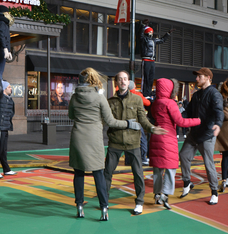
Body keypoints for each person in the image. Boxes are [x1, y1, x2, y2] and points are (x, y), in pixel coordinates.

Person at [68, 68, 140, 221]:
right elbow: (111, 121)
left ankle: (80, 207)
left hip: (78, 137)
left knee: (78, 173)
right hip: (94, 138)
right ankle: (104, 208)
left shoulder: (74, 97)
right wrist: (128, 123)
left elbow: (71, 115)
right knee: (98, 173)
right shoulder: (99, 98)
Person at [104, 71, 166, 216]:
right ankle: (104, 201)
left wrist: (151, 128)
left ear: (128, 81)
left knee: (138, 173)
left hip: (133, 142)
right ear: (116, 83)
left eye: (125, 79)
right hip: (115, 142)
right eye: (120, 79)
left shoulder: (137, 99)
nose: (123, 81)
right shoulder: (110, 101)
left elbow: (142, 119)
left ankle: (139, 202)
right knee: (107, 173)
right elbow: (108, 121)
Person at [148, 78, 200, 208]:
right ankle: (165, 194)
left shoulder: (156, 103)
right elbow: (181, 122)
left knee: (157, 169)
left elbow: (152, 116)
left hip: (156, 137)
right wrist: (198, 121)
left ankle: (157, 194)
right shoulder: (170, 103)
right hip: (168, 138)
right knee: (170, 167)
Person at [179, 68, 224, 199]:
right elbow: (188, 112)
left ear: (208, 77)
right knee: (183, 155)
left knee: (209, 164)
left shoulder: (214, 94)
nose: (196, 79)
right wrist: (177, 118)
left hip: (207, 135)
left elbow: (219, 111)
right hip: (194, 134)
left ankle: (214, 192)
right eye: (197, 76)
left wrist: (218, 124)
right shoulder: (197, 95)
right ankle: (187, 182)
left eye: (199, 76)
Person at [0, 80, 17, 179]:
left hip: (6, 126)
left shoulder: (9, 99)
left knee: (3, 149)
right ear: (4, 88)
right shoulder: (0, 97)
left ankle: (6, 169)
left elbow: (11, 113)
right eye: (9, 87)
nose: (11, 88)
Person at [140, 25, 172, 97]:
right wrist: (143, 26)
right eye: (150, 31)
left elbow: (162, 40)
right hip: (146, 60)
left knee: (151, 78)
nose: (151, 33)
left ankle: (148, 93)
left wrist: (167, 33)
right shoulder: (144, 39)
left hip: (152, 61)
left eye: (152, 31)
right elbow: (141, 35)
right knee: (145, 77)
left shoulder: (153, 40)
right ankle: (145, 93)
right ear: (147, 32)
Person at [0, 5, 13, 96]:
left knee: (0, 68)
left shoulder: (0, 22)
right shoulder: (1, 22)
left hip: (1, 47)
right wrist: (5, 49)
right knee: (0, 69)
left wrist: (7, 50)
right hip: (1, 48)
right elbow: (2, 36)